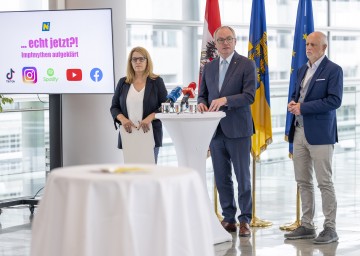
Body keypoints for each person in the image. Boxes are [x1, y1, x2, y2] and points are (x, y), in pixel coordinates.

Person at [197, 26, 256, 237]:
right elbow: (202, 95)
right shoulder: (209, 68)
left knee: (242, 177)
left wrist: (225, 101)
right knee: (222, 177)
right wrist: (202, 104)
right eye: (220, 40)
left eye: (228, 39)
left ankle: (245, 219)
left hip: (238, 129)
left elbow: (249, 96)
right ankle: (229, 218)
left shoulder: (246, 64)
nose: (225, 43)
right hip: (215, 130)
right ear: (216, 42)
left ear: (235, 41)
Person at [285, 31, 343, 244]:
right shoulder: (302, 69)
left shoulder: (333, 70)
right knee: (303, 181)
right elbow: (297, 94)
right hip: (299, 132)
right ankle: (307, 225)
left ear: (324, 48)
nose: (308, 48)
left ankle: (330, 227)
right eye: (307, 44)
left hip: (320, 134)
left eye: (314, 44)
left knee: (324, 182)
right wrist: (293, 104)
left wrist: (303, 107)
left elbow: (334, 101)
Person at [110, 46, 168, 163]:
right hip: (129, 134)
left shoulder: (157, 81)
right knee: (131, 173)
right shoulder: (123, 82)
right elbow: (114, 107)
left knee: (149, 173)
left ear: (147, 61)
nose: (138, 62)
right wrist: (123, 119)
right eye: (134, 59)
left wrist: (150, 118)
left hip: (149, 133)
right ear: (130, 62)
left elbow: (166, 106)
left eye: (141, 59)